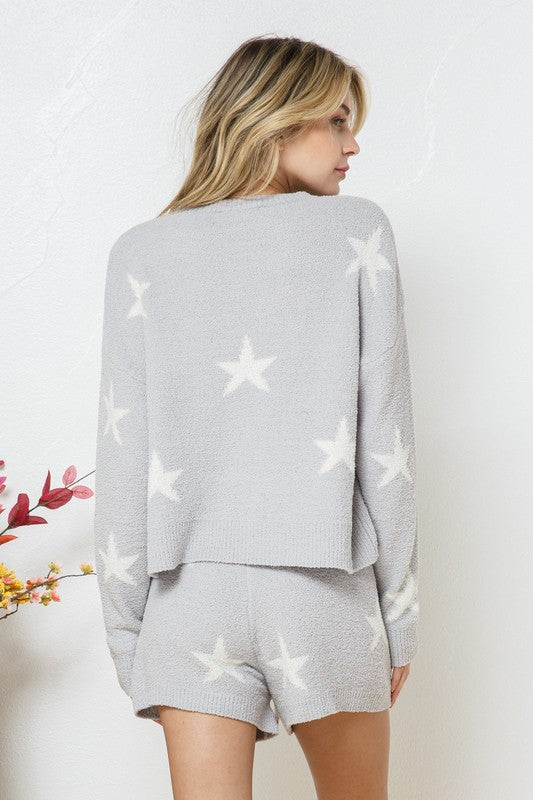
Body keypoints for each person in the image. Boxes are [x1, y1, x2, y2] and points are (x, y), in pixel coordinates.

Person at [94, 34, 420, 800]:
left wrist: (128, 635)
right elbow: (386, 443)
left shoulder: (141, 251)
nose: (352, 144)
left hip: (187, 602)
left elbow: (124, 454)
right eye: (336, 121)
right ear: (275, 118)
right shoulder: (356, 232)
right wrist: (398, 618)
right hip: (324, 595)